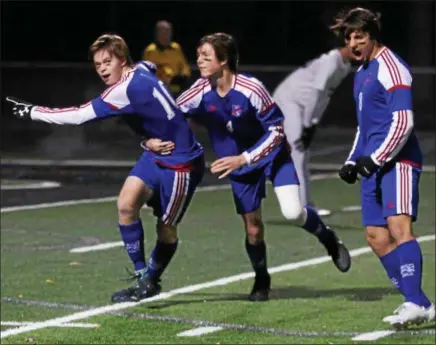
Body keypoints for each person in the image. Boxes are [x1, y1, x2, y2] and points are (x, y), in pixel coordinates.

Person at [145, 32, 351, 302]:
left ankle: (327, 238)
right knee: (253, 228)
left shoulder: (251, 89)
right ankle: (262, 278)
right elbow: (168, 115)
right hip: (238, 165)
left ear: (224, 60)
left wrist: (245, 158)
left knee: (292, 212)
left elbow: (278, 132)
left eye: (206, 56)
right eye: (198, 56)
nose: (199, 61)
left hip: (271, 156)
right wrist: (148, 135)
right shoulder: (200, 90)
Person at [5, 33, 205, 303]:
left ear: (123, 60)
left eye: (108, 61)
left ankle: (151, 281)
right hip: (156, 152)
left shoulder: (122, 90)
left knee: (166, 229)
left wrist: (31, 111)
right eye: (98, 64)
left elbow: (77, 116)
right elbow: (151, 71)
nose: (102, 68)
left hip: (180, 162)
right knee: (125, 205)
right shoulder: (142, 68)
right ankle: (141, 275)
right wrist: (147, 139)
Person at [332, 7, 435, 328]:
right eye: (349, 38)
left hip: (398, 161)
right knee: (376, 236)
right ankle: (422, 304)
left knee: (398, 227)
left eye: (359, 36)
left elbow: (403, 121)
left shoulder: (392, 67)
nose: (354, 43)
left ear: (373, 35)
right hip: (371, 165)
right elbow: (365, 127)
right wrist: (352, 160)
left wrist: (377, 158)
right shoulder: (362, 72)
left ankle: (413, 302)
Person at [273, 47, 354, 216]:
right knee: (298, 153)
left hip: (301, 105)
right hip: (288, 100)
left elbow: (325, 96)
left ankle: (306, 204)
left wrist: (313, 123)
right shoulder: (330, 62)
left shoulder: (344, 67)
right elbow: (316, 93)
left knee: (302, 154)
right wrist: (308, 124)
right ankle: (303, 207)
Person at [143, 20, 191, 97]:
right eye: (162, 32)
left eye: (167, 32)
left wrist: (184, 75)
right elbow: (148, 74)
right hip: (160, 92)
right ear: (156, 34)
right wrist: (170, 78)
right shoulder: (151, 51)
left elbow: (184, 65)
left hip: (178, 90)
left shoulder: (176, 48)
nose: (165, 35)